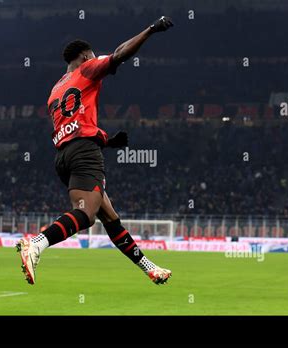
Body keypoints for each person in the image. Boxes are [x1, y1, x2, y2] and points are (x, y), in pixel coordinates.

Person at [17, 16, 174, 285]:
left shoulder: (55, 91)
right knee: (86, 215)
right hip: (84, 154)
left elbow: (77, 125)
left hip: (64, 157)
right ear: (85, 56)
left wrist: (109, 141)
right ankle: (37, 243)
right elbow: (120, 54)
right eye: (91, 55)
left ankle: (149, 267)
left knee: (110, 218)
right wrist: (151, 29)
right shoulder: (88, 68)